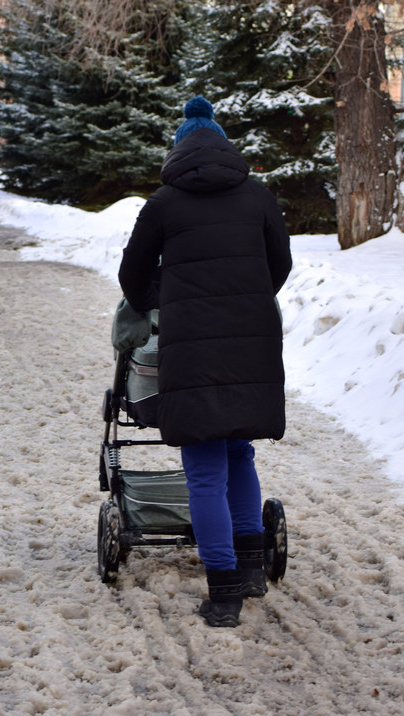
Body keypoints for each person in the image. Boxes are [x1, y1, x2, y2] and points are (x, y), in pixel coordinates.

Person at [117, 97, 292, 628]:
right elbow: (279, 265)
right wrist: (245, 302)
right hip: (251, 345)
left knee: (204, 470)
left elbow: (133, 278)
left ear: (179, 150)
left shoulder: (163, 203)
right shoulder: (258, 196)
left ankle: (224, 592)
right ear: (222, 143)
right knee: (239, 451)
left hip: (191, 348)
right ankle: (252, 568)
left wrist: (167, 302)